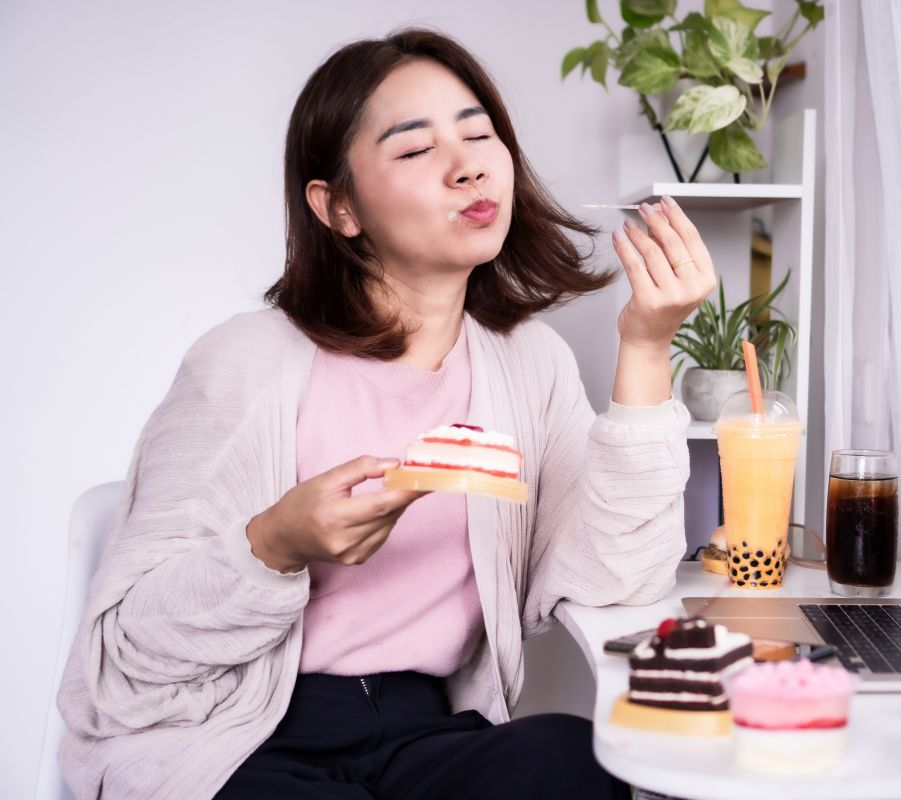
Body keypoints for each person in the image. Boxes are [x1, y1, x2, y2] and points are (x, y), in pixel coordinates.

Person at [56, 28, 717, 800]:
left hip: (423, 731)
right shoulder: (244, 362)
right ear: (337, 207)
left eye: (479, 133)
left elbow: (616, 582)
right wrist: (274, 544)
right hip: (239, 735)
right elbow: (125, 655)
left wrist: (644, 348)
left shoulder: (526, 364)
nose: (468, 163)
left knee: (576, 760)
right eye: (413, 150)